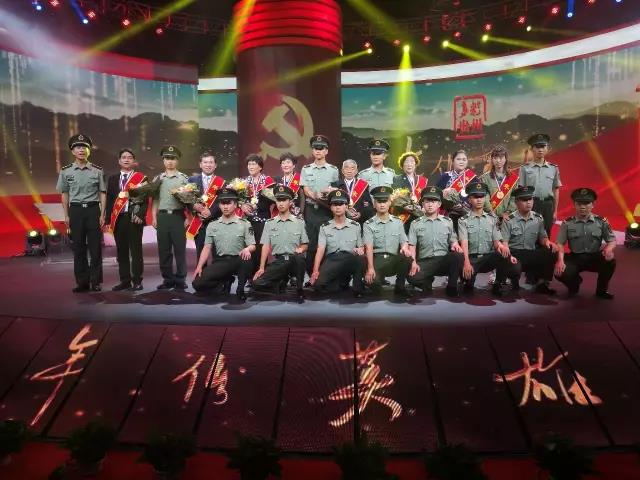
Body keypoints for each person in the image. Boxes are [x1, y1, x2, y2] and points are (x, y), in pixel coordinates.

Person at [57, 133, 106, 292]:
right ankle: (82, 282)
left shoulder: (97, 171)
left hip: (93, 210)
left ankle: (95, 281)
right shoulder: (66, 171)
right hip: (76, 211)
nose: (81, 150)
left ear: (89, 150)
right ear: (73, 151)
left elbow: (102, 193)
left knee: (95, 248)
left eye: (84, 147)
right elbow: (64, 193)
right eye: (78, 147)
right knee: (78, 248)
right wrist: (66, 215)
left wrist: (102, 214)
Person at [192, 188, 255, 300]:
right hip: (221, 261)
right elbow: (207, 247)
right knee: (197, 284)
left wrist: (247, 249)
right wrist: (199, 266)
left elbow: (252, 246)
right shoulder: (212, 225)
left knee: (246, 259)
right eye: (222, 203)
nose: (225, 207)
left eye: (228, 203)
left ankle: (240, 289)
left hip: (238, 260)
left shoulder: (245, 224)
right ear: (219, 205)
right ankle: (225, 280)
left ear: (235, 205)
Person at [554, 188, 616, 299]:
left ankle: (601, 291)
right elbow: (560, 244)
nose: (582, 207)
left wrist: (609, 249)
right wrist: (560, 261)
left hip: (594, 257)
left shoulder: (601, 221)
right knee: (560, 272)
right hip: (575, 257)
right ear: (574, 204)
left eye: (586, 203)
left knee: (610, 262)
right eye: (579, 204)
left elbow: (611, 240)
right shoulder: (567, 223)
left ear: (593, 204)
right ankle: (574, 285)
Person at [457, 182, 515, 296]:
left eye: (482, 196)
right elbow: (464, 243)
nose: (479, 200)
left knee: (503, 253)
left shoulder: (492, 219)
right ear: (469, 199)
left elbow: (497, 242)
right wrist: (466, 263)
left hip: (487, 258)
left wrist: (503, 247)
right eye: (475, 197)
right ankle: (467, 282)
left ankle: (498, 284)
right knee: (467, 288)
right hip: (472, 259)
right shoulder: (463, 220)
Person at [407, 186, 465, 297]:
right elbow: (412, 246)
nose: (430, 204)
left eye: (433, 201)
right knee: (412, 278)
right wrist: (413, 263)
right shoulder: (415, 224)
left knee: (458, 256)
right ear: (422, 204)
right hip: (425, 261)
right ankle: (427, 281)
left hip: (443, 260)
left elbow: (453, 241)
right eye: (427, 201)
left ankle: (452, 287)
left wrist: (455, 245)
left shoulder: (448, 222)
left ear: (439, 204)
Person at [500, 186, 558, 294]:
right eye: (524, 200)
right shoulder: (509, 220)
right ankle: (513, 282)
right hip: (514, 253)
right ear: (516, 202)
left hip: (530, 252)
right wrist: (509, 256)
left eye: (530, 199)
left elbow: (543, 238)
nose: (528, 202)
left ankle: (542, 284)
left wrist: (548, 242)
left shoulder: (538, 218)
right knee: (510, 262)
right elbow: (504, 243)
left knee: (551, 251)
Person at [253, 185, 308, 299]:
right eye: (278, 200)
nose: (281, 203)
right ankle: (281, 279)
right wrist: (262, 267)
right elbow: (265, 246)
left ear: (290, 202)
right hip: (280, 261)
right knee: (257, 283)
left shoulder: (299, 222)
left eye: (284, 200)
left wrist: (301, 249)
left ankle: (299, 287)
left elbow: (305, 244)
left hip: (294, 259)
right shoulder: (269, 223)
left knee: (300, 259)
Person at [310, 189, 366, 298]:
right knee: (318, 286)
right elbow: (320, 250)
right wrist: (315, 270)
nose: (338, 207)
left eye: (341, 204)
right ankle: (342, 281)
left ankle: (358, 288)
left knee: (361, 259)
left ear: (346, 207)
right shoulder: (325, 227)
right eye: (335, 204)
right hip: (332, 260)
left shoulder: (355, 226)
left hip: (349, 258)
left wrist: (360, 249)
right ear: (331, 207)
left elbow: (361, 246)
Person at [105, 148, 147, 291]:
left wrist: (140, 215)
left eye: (129, 157)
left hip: (134, 218)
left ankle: (137, 281)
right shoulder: (112, 179)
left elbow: (145, 200)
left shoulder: (141, 178)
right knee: (121, 251)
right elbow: (110, 200)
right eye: (124, 157)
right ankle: (125, 281)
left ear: (134, 161)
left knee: (136, 251)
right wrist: (108, 220)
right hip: (118, 219)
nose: (127, 159)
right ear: (119, 161)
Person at [152, 145, 191, 290]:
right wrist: (154, 217)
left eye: (173, 158)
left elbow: (189, 200)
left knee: (180, 250)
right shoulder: (158, 179)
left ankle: (181, 279)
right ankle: (167, 279)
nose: (170, 161)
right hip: (162, 217)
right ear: (163, 161)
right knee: (164, 250)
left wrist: (188, 217)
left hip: (178, 216)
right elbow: (155, 199)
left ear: (177, 161)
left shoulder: (184, 179)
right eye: (167, 158)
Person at [363, 186, 413, 298]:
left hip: (393, 259)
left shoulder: (398, 222)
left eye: (385, 201)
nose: (382, 205)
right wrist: (370, 268)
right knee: (374, 285)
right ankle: (376, 280)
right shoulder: (368, 224)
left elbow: (404, 240)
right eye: (379, 202)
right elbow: (369, 248)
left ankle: (400, 287)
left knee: (407, 257)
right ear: (374, 204)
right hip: (377, 260)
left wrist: (404, 248)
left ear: (390, 202)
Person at [300, 135, 340, 275]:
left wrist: (327, 195)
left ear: (326, 151)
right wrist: (316, 196)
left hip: (327, 211)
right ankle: (311, 275)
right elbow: (305, 189)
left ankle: (325, 274)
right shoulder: (306, 169)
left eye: (321, 148)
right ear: (312, 151)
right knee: (312, 243)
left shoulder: (333, 170)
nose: (318, 151)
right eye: (315, 148)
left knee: (327, 243)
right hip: (311, 211)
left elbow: (335, 190)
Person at [518, 133, 561, 236]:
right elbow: (521, 191)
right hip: (531, 205)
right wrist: (522, 210)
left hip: (548, 205)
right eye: (537, 147)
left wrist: (555, 211)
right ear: (532, 149)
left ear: (547, 148)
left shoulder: (553, 168)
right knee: (530, 235)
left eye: (543, 146)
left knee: (547, 235)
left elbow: (556, 190)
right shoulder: (524, 168)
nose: (540, 149)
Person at [239, 154, 275, 273]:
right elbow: (239, 199)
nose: (251, 166)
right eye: (249, 164)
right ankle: (249, 274)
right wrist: (242, 205)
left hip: (262, 219)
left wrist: (256, 205)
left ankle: (260, 273)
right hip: (247, 220)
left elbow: (271, 200)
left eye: (253, 164)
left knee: (261, 246)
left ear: (260, 167)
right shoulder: (244, 182)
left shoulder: (267, 180)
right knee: (249, 245)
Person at [188, 149, 224, 264]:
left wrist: (211, 212)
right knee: (200, 254)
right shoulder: (192, 180)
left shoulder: (221, 182)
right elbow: (187, 199)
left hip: (216, 222)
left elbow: (222, 201)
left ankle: (217, 275)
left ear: (215, 165)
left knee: (217, 254)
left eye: (211, 162)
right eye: (205, 162)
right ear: (200, 164)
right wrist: (194, 206)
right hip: (199, 223)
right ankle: (201, 275)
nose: (208, 165)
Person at [437, 149, 477, 231]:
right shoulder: (444, 177)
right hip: (447, 216)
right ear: (453, 161)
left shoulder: (473, 178)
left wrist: (464, 206)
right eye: (458, 159)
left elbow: (477, 197)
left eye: (464, 159)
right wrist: (449, 204)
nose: (461, 162)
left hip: (468, 217)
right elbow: (437, 196)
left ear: (467, 162)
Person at [479, 144, 518, 221]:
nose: (498, 161)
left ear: (505, 159)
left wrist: (508, 212)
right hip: (490, 217)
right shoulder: (485, 178)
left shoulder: (513, 178)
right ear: (492, 159)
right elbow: (485, 196)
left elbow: (514, 197)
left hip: (508, 218)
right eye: (495, 158)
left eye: (501, 158)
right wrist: (491, 212)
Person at [392, 151, 428, 232]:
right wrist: (404, 206)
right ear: (402, 165)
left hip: (419, 216)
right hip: (404, 216)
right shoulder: (396, 179)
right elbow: (395, 198)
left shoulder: (422, 180)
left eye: (412, 161)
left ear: (415, 164)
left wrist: (424, 208)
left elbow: (425, 198)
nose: (409, 164)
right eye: (406, 162)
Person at [331, 159, 374, 225]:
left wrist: (360, 213)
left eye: (352, 168)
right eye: (346, 168)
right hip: (340, 221)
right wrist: (346, 212)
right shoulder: (335, 185)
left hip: (359, 222)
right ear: (342, 171)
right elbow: (332, 205)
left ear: (356, 171)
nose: (349, 171)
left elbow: (369, 206)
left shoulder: (363, 185)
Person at [274, 152, 303, 217]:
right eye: (283, 163)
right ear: (281, 166)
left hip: (295, 213)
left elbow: (302, 198)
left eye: (288, 162)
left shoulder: (299, 179)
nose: (285, 165)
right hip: (280, 213)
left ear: (294, 165)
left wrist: (301, 212)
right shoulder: (278, 180)